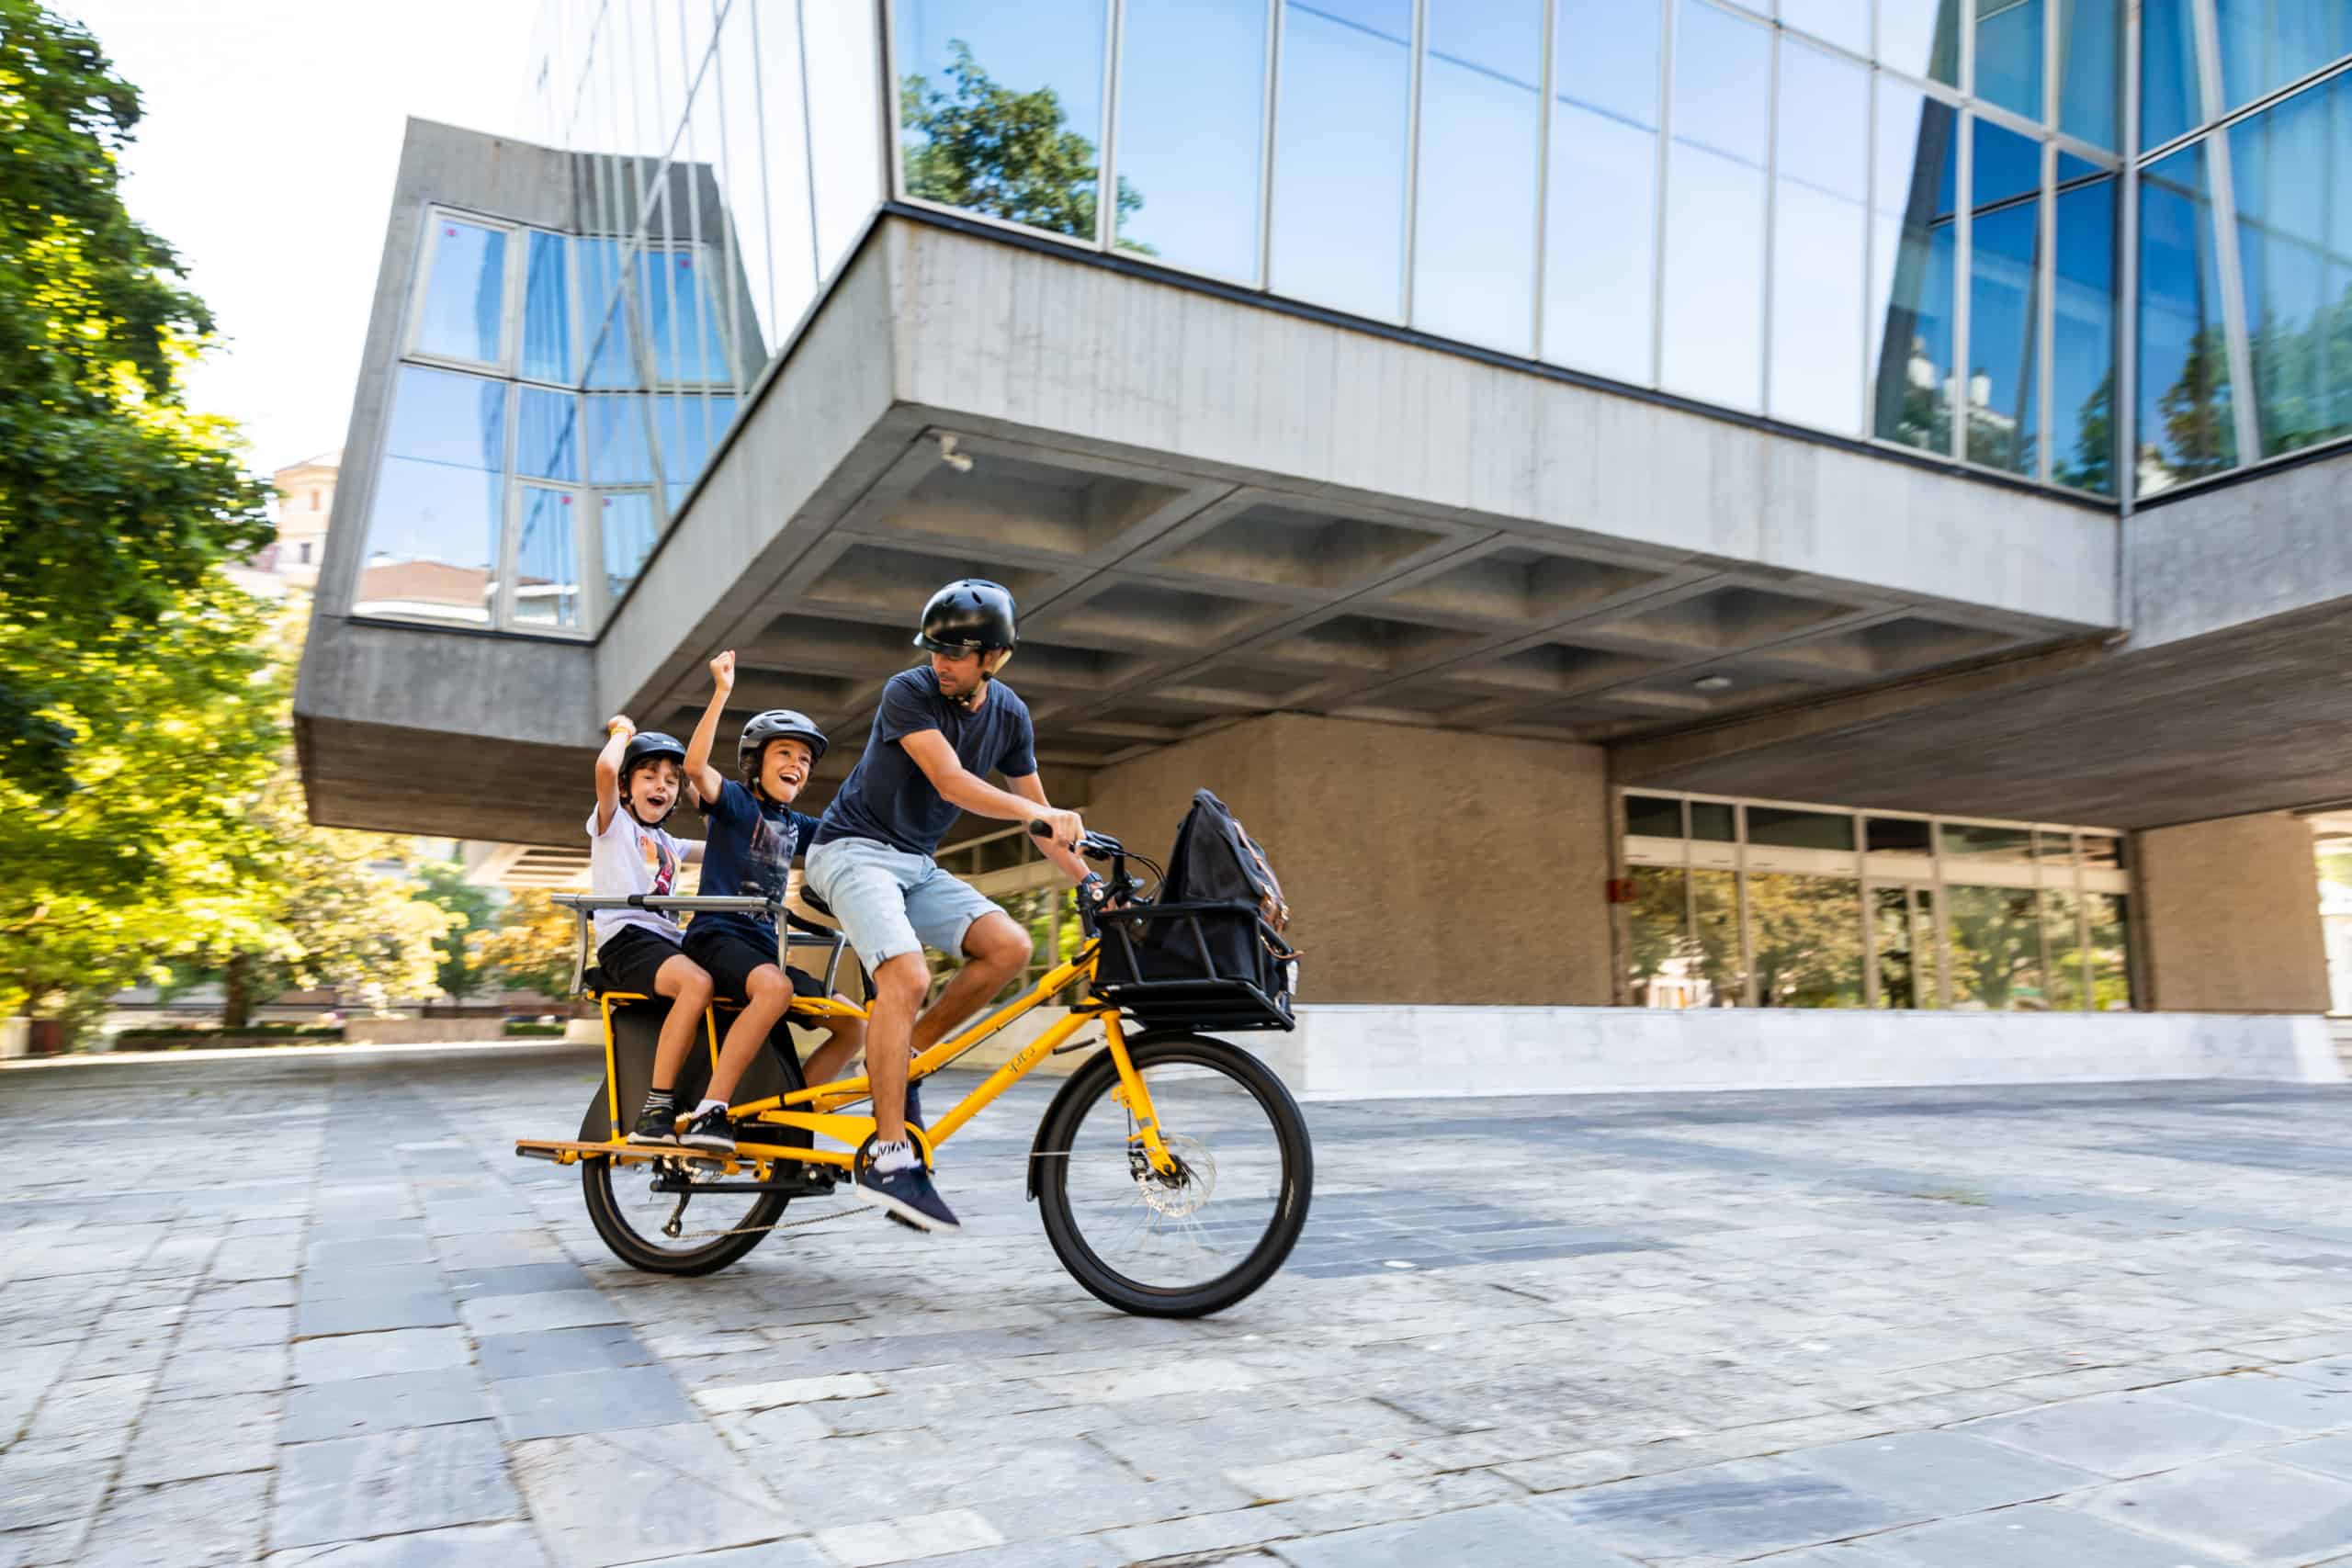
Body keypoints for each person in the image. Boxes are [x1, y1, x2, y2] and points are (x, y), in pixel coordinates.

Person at [806, 579, 1094, 1233]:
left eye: (957, 653)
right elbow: (952, 782)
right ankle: (886, 1154)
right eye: (935, 648)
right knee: (905, 975)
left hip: (914, 863)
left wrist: (1087, 880)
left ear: (994, 657)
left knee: (1010, 947)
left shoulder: (1010, 715)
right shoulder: (908, 692)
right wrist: (1040, 811)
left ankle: (904, 1059)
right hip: (851, 850)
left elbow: (1038, 821)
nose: (941, 662)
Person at [671, 650, 866, 1154]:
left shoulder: (797, 825)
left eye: (804, 760)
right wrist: (721, 693)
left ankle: (788, 1113)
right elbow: (694, 766)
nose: (796, 765)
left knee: (852, 1025)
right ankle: (711, 1111)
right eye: (785, 754)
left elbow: (851, 836)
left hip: (764, 948)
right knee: (775, 990)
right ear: (757, 762)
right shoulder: (735, 803)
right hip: (717, 938)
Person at [588, 718, 716, 1147]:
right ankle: (656, 1105)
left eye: (670, 780)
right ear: (627, 788)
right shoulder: (612, 826)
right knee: (697, 983)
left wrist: (695, 787)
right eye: (649, 776)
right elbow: (605, 772)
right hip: (626, 939)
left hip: (666, 943)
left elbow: (724, 839)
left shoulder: (669, 843)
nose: (660, 785)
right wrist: (622, 733)